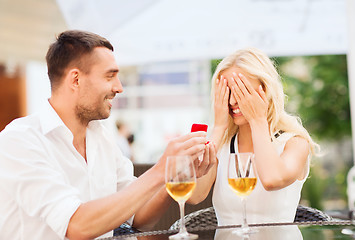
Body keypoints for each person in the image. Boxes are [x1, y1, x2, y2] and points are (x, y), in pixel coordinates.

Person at [0, 30, 216, 239]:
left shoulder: (100, 137)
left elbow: (139, 217)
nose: (119, 87)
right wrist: (160, 170)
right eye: (110, 76)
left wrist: (172, 179)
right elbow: (77, 226)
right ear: (75, 80)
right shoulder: (20, 141)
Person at [188, 47, 319, 225]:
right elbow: (194, 195)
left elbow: (272, 180)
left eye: (242, 91)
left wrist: (258, 119)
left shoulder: (294, 143)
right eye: (227, 92)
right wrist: (219, 127)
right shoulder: (221, 143)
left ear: (265, 90)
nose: (233, 101)